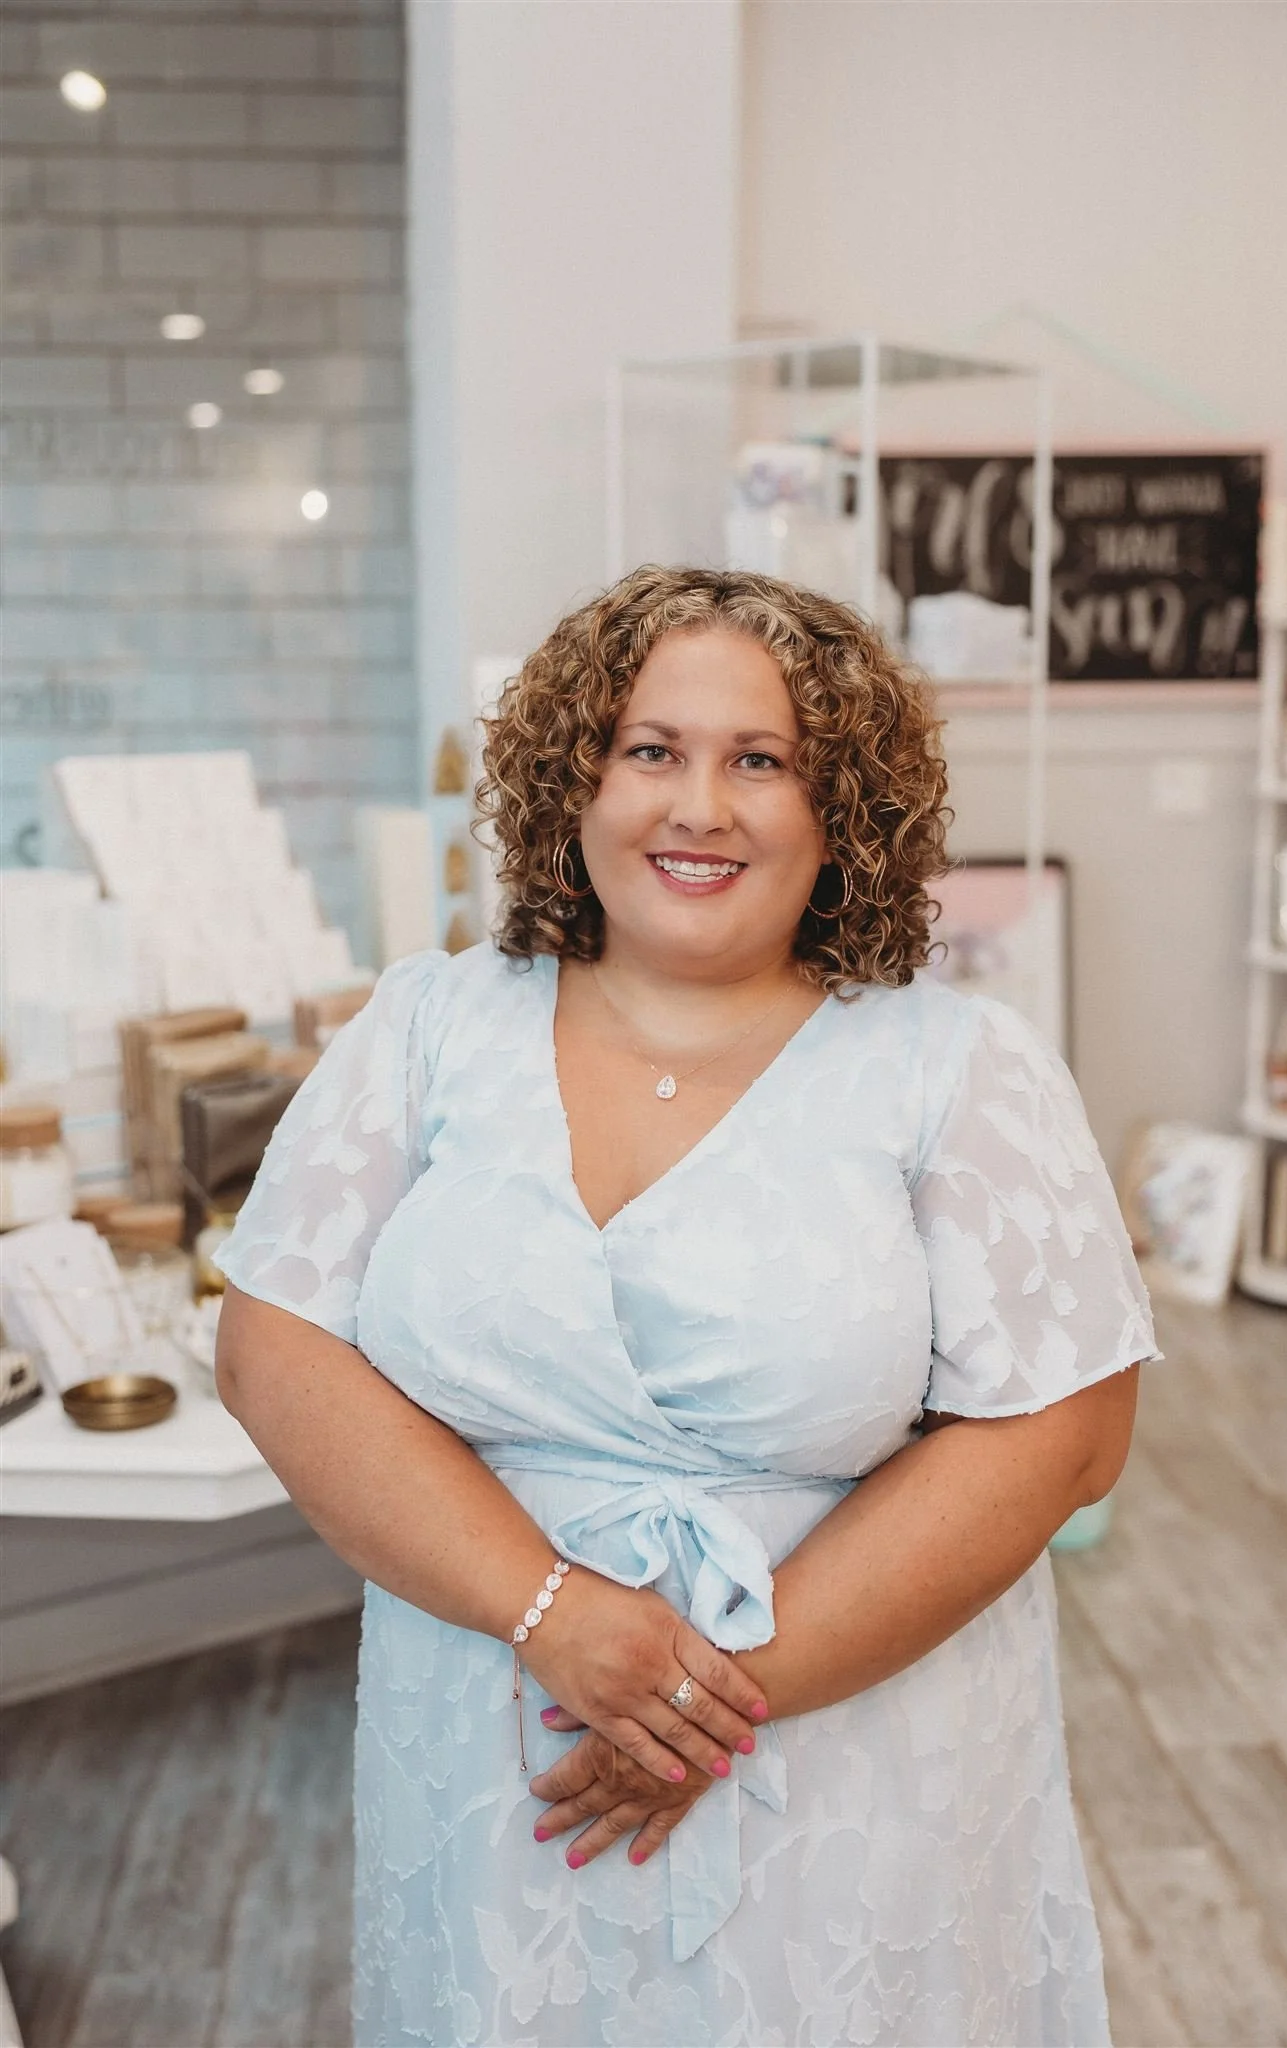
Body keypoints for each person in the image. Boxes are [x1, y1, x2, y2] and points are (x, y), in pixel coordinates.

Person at [216, 565, 1158, 2048]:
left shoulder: (956, 1066)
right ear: (571, 780)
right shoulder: (429, 1027)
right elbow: (276, 1341)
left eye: (760, 760)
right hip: (493, 1743)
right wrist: (548, 1614)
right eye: (651, 750)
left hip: (845, 1767)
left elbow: (1063, 1437)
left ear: (840, 807)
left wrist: (707, 1701)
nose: (698, 805)